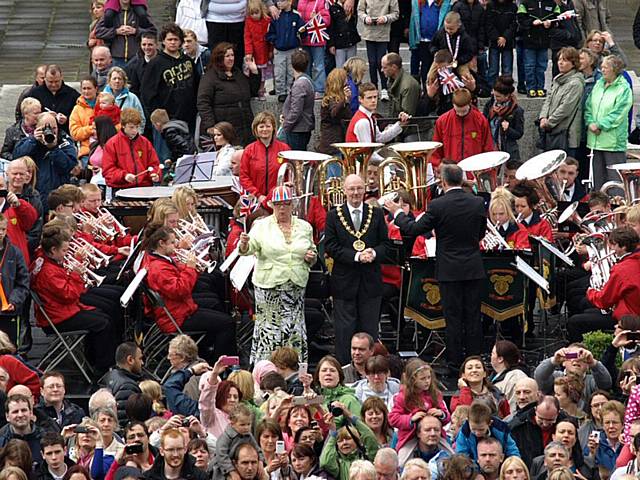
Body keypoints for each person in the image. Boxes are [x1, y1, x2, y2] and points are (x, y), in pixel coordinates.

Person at [386, 164, 486, 374]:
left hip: (449, 269)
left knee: (453, 317)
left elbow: (414, 229)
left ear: (443, 182)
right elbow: (480, 234)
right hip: (472, 267)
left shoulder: (437, 205)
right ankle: (475, 362)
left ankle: (453, 364)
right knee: (473, 316)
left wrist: (397, 213)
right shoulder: (477, 203)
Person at [238, 185, 317, 363]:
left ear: (292, 205)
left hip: (296, 285)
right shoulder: (261, 226)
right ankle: (267, 371)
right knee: (270, 331)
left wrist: (311, 257)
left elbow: (312, 251)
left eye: (286, 204)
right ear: (272, 205)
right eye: (278, 204)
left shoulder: (305, 227)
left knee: (294, 330)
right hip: (269, 287)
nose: (282, 208)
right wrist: (243, 244)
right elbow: (248, 250)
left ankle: (294, 371)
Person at [141, 224, 236, 362]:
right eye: (172, 243)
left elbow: (178, 274)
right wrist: (190, 269)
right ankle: (221, 365)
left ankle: (208, 352)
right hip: (177, 317)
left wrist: (191, 266)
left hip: (180, 309)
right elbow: (180, 290)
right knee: (227, 323)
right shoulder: (158, 268)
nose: (176, 246)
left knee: (219, 313)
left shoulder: (161, 259)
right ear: (161, 243)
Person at [30, 224, 117, 374]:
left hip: (61, 310)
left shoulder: (45, 260)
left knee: (103, 317)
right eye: (64, 250)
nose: (66, 253)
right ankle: (103, 367)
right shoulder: (48, 272)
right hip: (58, 317)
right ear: (53, 250)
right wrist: (76, 274)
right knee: (103, 323)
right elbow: (69, 295)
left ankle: (94, 360)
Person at [325, 174, 389, 365]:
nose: (356, 193)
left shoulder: (376, 213)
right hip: (344, 283)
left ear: (364, 190)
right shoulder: (333, 215)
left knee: (369, 331)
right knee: (344, 331)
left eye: (359, 188)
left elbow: (386, 245)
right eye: (352, 189)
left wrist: (373, 253)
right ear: (344, 191)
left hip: (370, 283)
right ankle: (346, 371)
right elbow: (330, 246)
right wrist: (356, 256)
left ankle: (371, 370)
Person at [584, 55, 633, 192]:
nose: (602, 70)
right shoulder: (598, 84)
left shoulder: (624, 89)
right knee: (596, 182)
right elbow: (588, 106)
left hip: (613, 143)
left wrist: (599, 125)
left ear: (614, 69)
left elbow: (619, 113)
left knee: (615, 183)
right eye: (602, 67)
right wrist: (590, 123)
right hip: (594, 140)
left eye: (605, 67)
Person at [197, 42, 260, 146]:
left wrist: (254, 72)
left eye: (232, 55)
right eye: (227, 56)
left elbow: (252, 91)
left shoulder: (238, 73)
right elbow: (203, 103)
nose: (231, 58)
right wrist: (211, 126)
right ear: (219, 58)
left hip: (245, 126)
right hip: (224, 129)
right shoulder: (209, 77)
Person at [141, 23, 199, 132]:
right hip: (167, 121)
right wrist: (159, 116)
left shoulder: (188, 61)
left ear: (181, 41)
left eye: (176, 39)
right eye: (169, 39)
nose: (173, 42)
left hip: (190, 116)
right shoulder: (155, 64)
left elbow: (197, 85)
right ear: (163, 41)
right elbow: (147, 94)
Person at [12, 113, 78, 203]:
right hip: (34, 195)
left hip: (57, 196)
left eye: (54, 128)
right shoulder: (29, 141)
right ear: (37, 128)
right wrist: (33, 141)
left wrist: (54, 148)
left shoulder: (65, 142)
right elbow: (16, 157)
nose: (50, 131)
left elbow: (68, 166)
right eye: (45, 129)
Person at [389, 358, 449, 451]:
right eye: (423, 378)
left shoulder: (435, 394)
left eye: (429, 377)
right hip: (409, 437)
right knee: (403, 460)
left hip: (434, 435)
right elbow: (393, 418)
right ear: (412, 380)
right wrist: (411, 419)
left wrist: (441, 414)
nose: (427, 381)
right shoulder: (402, 397)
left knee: (450, 454)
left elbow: (447, 416)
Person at [537, 47, 584, 157]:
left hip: (565, 134)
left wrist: (550, 122)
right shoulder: (557, 79)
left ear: (573, 63)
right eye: (559, 60)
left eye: (565, 60)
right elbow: (548, 99)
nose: (560, 63)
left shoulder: (576, 83)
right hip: (550, 131)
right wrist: (543, 117)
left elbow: (566, 108)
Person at [430, 88, 494, 167]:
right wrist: (439, 164)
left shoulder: (481, 121)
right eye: (458, 111)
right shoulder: (442, 121)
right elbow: (436, 149)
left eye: (463, 111)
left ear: (470, 103)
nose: (460, 114)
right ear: (453, 104)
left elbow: (488, 148)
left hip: (474, 170)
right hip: (450, 171)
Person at [102, 108, 161, 189]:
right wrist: (124, 176)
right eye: (131, 127)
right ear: (123, 125)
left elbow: (154, 164)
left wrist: (155, 174)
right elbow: (108, 171)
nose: (135, 131)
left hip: (144, 188)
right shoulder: (112, 144)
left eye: (137, 127)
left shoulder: (145, 142)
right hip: (122, 188)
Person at [239, 112, 290, 203]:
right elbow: (244, 176)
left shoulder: (284, 149)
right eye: (261, 126)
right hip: (255, 200)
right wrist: (258, 195)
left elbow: (289, 173)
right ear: (256, 129)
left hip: (278, 200)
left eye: (268, 126)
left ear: (273, 128)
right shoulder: (249, 150)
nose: (265, 129)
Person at [534, 345, 612, 404]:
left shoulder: (592, 381)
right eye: (572, 356)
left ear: (587, 366)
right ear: (563, 362)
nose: (576, 360)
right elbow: (539, 377)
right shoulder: (555, 377)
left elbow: (606, 384)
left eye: (581, 357)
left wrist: (593, 363)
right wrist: (554, 360)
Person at [357, 0, 399, 100]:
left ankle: (384, 88)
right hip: (369, 32)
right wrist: (365, 18)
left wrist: (385, 18)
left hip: (383, 33)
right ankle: (373, 87)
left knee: (382, 62)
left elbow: (396, 13)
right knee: (372, 63)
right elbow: (360, 10)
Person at [508, 396, 565, 467]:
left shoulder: (566, 424)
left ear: (557, 414)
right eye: (541, 419)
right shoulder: (518, 427)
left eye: (550, 420)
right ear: (535, 410)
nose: (545, 424)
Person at [517, 0, 558, 97]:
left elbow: (557, 17)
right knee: (529, 66)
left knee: (541, 66)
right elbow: (520, 19)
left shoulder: (551, 3)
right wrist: (531, 22)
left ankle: (540, 87)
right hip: (529, 41)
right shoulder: (525, 3)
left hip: (544, 41)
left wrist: (550, 23)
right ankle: (530, 88)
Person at [455, 401, 520, 461]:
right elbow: (462, 456)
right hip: (474, 466)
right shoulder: (464, 433)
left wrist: (513, 463)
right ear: (468, 421)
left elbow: (511, 449)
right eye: (473, 429)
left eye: (481, 429)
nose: (477, 433)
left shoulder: (501, 430)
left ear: (489, 423)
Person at [345, 83, 409, 143]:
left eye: (375, 97)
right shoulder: (363, 121)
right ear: (360, 99)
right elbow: (367, 150)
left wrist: (400, 124)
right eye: (369, 98)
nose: (373, 101)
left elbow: (379, 138)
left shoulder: (369, 117)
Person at [266, 0, 302, 102]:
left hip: (292, 49)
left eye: (282, 0)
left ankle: (290, 91)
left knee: (291, 71)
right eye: (278, 1)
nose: (279, 3)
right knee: (279, 71)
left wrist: (301, 35)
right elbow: (270, 33)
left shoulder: (296, 16)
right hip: (279, 49)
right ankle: (281, 92)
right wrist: (275, 41)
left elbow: (302, 30)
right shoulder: (276, 16)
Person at [27, 65, 80, 134]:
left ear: (61, 77)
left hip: (66, 134)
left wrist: (67, 119)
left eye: (57, 81)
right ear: (45, 79)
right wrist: (43, 116)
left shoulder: (73, 94)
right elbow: (27, 115)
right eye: (50, 82)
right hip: (41, 134)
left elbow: (80, 116)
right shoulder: (34, 93)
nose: (54, 85)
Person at [100, 342, 143, 427]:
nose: (142, 363)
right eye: (140, 358)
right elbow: (124, 421)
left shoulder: (108, 376)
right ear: (130, 360)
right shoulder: (127, 386)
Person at [482, 76, 524, 162]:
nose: (495, 98)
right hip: (490, 148)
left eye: (498, 96)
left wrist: (508, 129)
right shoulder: (489, 105)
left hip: (508, 151)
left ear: (507, 96)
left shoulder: (517, 111)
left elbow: (519, 134)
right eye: (494, 95)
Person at [282, 49, 315, 151]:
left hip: (297, 129)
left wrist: (286, 125)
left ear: (292, 64)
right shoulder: (307, 80)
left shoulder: (300, 84)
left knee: (296, 162)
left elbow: (296, 110)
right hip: (301, 127)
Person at [316, 68, 352, 157]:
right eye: (345, 79)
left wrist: (346, 101)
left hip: (337, 140)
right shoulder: (330, 99)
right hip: (331, 143)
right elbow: (334, 113)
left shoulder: (337, 99)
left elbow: (347, 116)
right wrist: (344, 100)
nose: (347, 81)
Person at [0, 393, 44, 464]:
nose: (20, 415)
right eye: (15, 412)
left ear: (31, 412)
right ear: (7, 416)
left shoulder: (44, 437)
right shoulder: (1, 440)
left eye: (24, 410)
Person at [490, 341, 530, 414]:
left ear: (500, 359)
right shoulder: (495, 375)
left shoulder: (516, 377)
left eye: (492, 353)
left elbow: (513, 408)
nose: (490, 356)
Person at [485, 0, 517, 87]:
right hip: (494, 42)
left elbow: (514, 24)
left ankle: (507, 88)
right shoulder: (490, 6)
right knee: (493, 69)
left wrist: (505, 37)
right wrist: (497, 37)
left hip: (508, 42)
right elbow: (488, 24)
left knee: (507, 69)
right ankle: (492, 88)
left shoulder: (513, 7)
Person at [69, 77, 100, 163]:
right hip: (87, 152)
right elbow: (74, 133)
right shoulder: (77, 109)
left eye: (89, 88)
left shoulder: (106, 103)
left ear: (96, 88)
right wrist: (91, 129)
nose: (86, 91)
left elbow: (117, 125)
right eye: (84, 88)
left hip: (106, 149)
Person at [381, 52, 420, 117]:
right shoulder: (392, 80)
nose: (382, 70)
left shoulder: (408, 86)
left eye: (385, 67)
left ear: (394, 67)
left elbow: (407, 117)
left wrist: (392, 127)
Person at [125, 32, 159, 97]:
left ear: (156, 45)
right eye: (144, 44)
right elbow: (134, 88)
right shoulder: (136, 65)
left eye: (150, 45)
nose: (147, 47)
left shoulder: (164, 62)